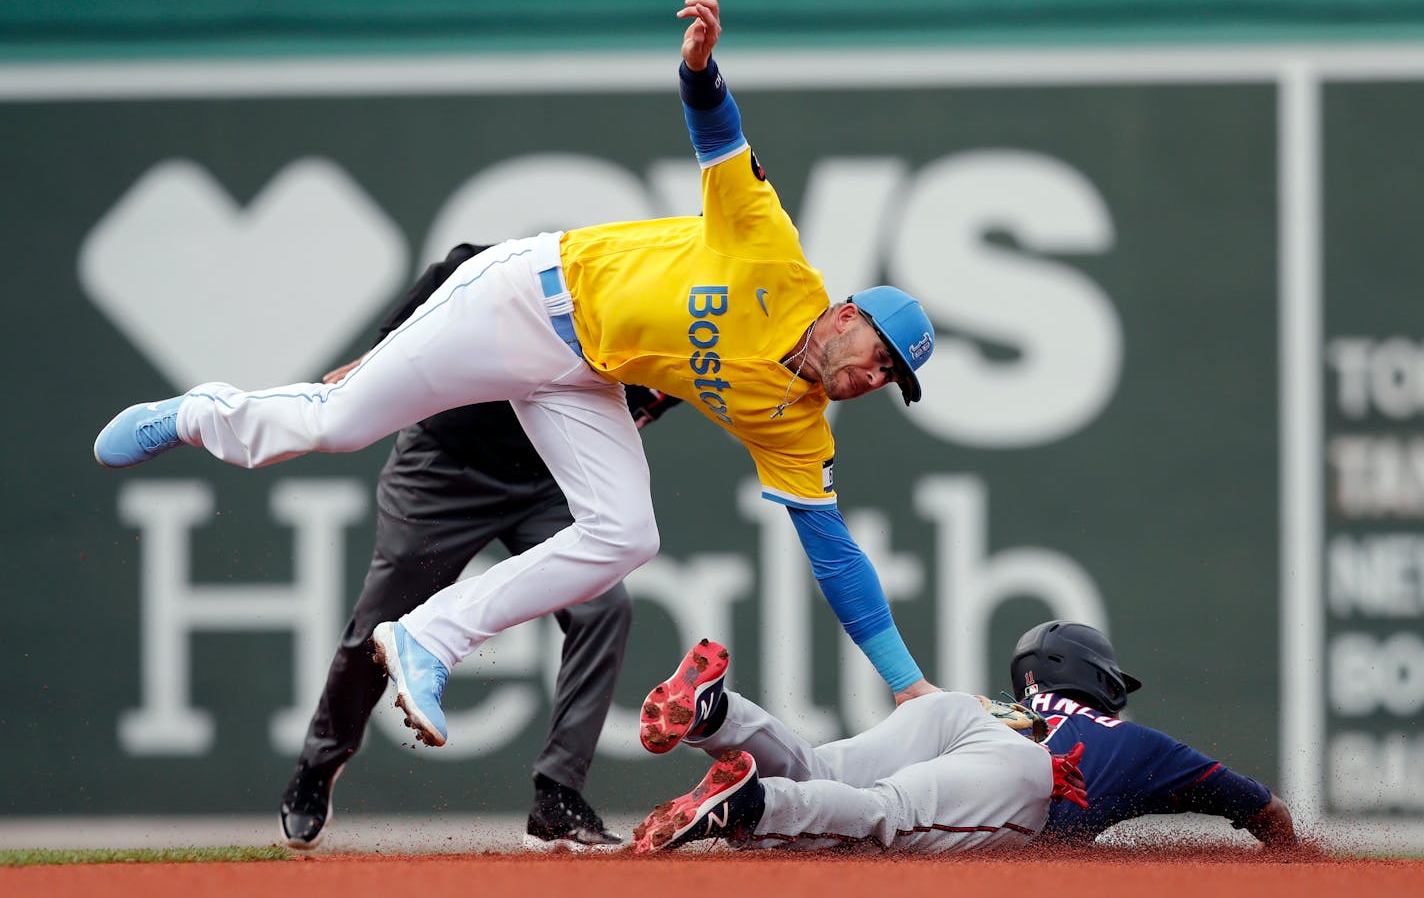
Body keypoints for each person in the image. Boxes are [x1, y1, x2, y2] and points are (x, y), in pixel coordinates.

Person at [92, 0, 942, 750]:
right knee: (337, 424)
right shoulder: (774, 260)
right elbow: (720, 138)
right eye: (880, 355)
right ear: (845, 314)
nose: (874, 378)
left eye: (890, 381)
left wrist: (907, 686)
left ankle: (427, 639)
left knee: (626, 532)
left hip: (579, 378)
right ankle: (203, 413)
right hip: (526, 300)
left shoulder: (796, 424)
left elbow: (834, 554)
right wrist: (700, 67)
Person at [279, 243, 682, 852]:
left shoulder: (677, 334)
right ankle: (320, 760)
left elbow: (659, 394)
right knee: (382, 624)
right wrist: (380, 354)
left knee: (605, 608)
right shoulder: (547, 278)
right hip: (445, 469)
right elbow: (459, 264)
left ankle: (558, 796)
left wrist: (641, 407)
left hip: (545, 484)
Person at [629, 639, 1087, 854]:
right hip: (1023, 766)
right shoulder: (1110, 730)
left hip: (952, 706)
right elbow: (1161, 775)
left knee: (825, 771)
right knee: (886, 813)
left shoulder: (1024, 703)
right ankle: (752, 806)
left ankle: (721, 715)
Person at [1008, 620, 1297, 848]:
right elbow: (1269, 811)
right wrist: (1283, 856)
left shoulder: (985, 719)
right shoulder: (1128, 741)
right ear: (1099, 681)